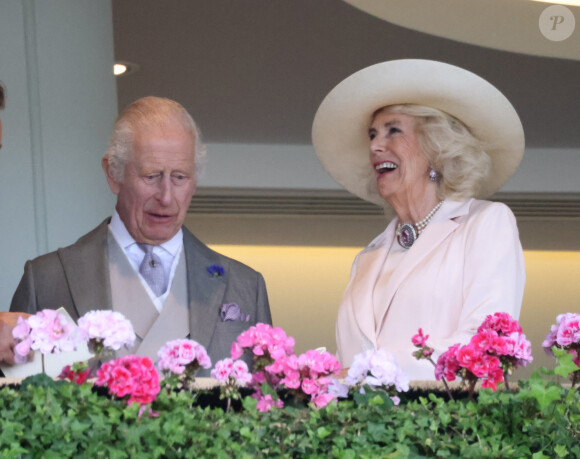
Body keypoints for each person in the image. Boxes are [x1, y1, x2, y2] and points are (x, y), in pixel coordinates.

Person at [4, 96, 272, 371]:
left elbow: (266, 403)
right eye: (151, 176)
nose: (166, 197)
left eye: (180, 177)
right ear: (113, 173)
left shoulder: (245, 286)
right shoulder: (48, 278)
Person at [312, 60, 526, 380]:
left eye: (392, 130)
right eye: (372, 134)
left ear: (435, 148)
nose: (374, 146)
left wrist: (369, 374)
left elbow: (486, 347)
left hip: (448, 425)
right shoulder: (367, 258)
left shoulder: (484, 224)